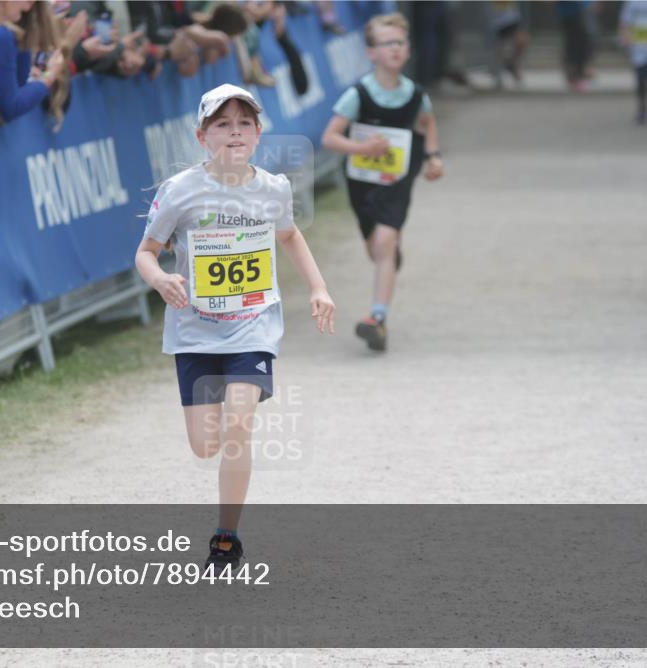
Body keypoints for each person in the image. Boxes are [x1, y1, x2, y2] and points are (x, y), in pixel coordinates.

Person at [135, 84, 335, 571]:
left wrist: (318, 288)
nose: (235, 133)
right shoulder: (181, 190)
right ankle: (223, 471)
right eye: (223, 125)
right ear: (203, 136)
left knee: (238, 426)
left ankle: (227, 537)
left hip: (253, 325)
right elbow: (146, 252)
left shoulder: (273, 188)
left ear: (259, 134)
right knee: (206, 446)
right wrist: (161, 278)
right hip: (195, 331)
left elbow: (288, 234)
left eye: (244, 124)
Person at [320, 13, 444, 353]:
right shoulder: (359, 94)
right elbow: (330, 138)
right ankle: (388, 253)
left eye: (400, 42)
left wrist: (433, 157)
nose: (395, 48)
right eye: (387, 43)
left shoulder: (417, 95)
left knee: (385, 241)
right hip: (363, 181)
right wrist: (362, 148)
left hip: (399, 177)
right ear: (371, 52)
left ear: (407, 50)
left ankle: (377, 318)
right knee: (377, 249)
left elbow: (428, 124)